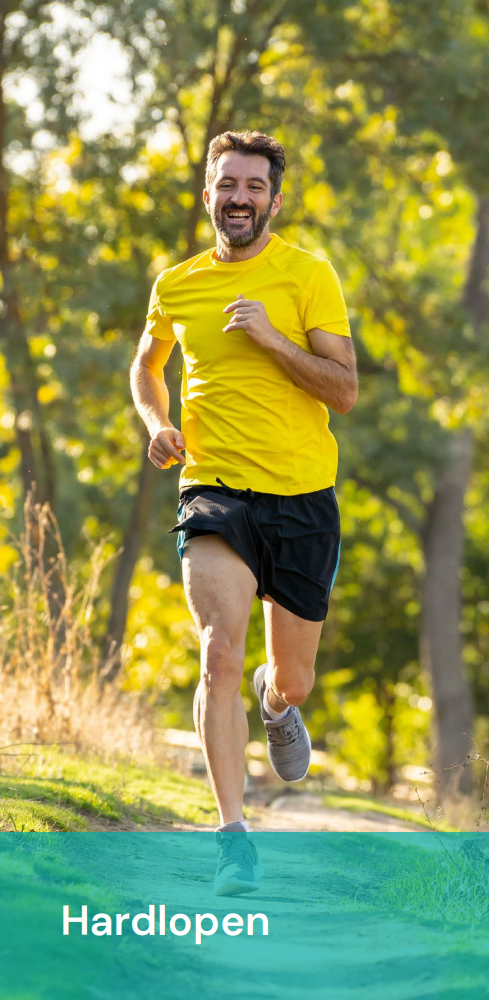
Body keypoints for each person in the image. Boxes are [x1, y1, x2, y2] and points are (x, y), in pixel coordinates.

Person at [130, 130, 357, 895]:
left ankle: (276, 701)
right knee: (215, 653)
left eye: (253, 186)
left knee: (293, 678)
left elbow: (343, 389)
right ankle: (233, 841)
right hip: (214, 491)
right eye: (226, 184)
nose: (238, 197)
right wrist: (155, 421)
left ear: (273, 199)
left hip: (300, 498)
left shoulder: (306, 275)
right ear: (206, 195)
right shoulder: (176, 284)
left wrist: (268, 338)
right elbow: (145, 365)